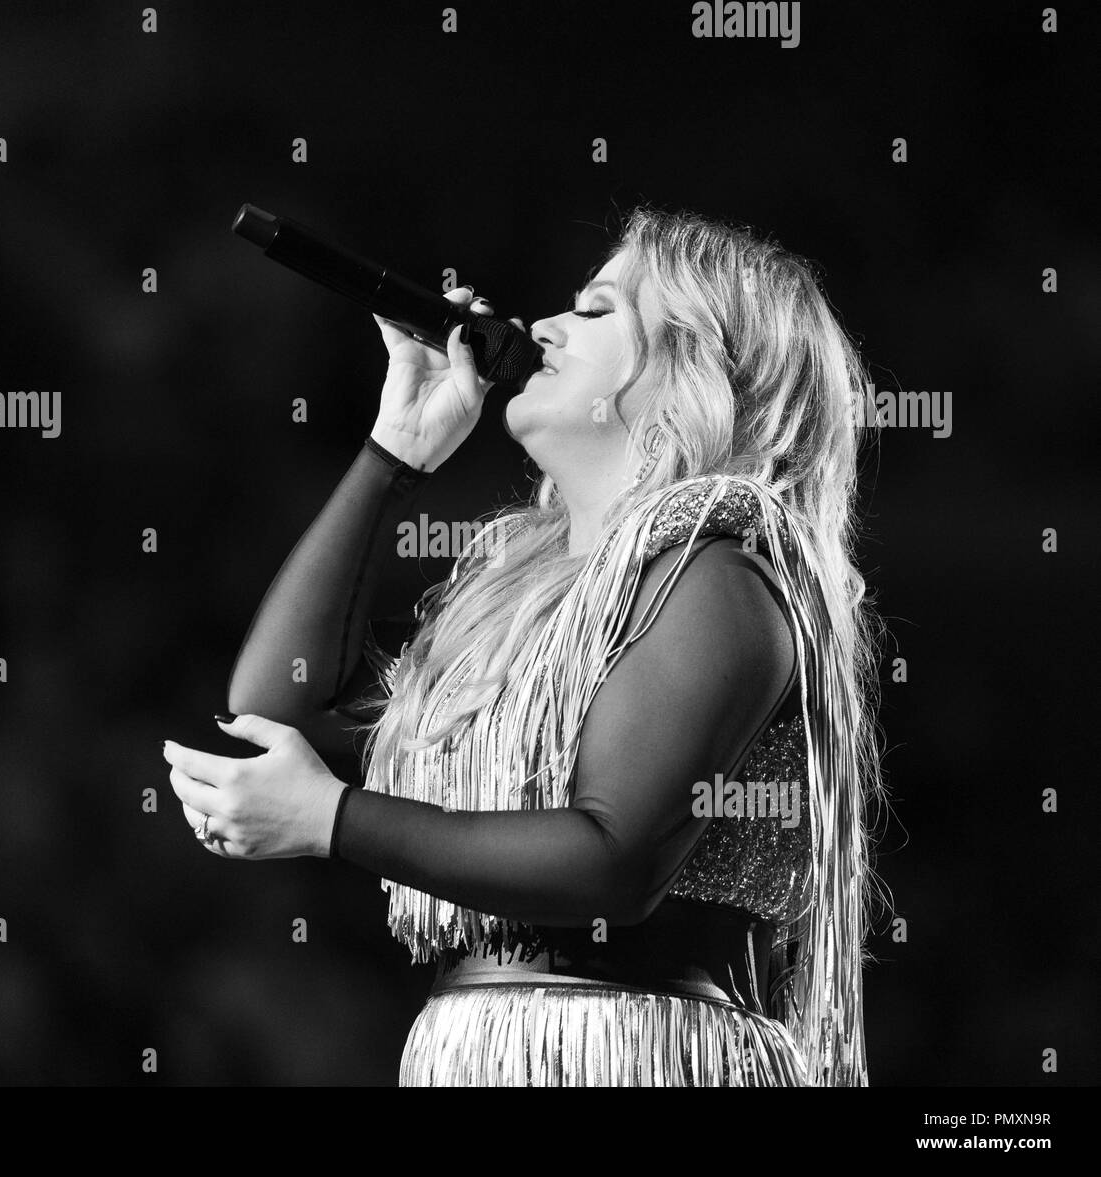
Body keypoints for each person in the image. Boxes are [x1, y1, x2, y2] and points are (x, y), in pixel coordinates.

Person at [162, 206, 886, 1087]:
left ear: (695, 364)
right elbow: (280, 709)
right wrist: (396, 452)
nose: (542, 325)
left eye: (595, 310)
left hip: (638, 1055)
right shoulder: (515, 594)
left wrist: (332, 821)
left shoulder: (723, 576)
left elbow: (613, 856)